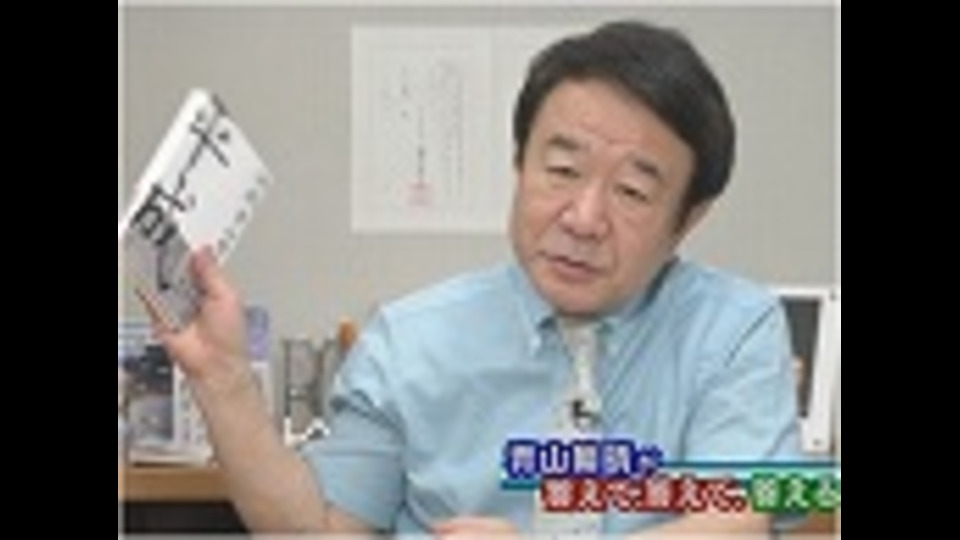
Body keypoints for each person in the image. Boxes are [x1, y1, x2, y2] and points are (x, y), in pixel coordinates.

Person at [151, 19, 802, 537]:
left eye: (632, 191)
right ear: (519, 164)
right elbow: (321, 529)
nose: (583, 218)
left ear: (688, 218)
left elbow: (736, 521)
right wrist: (224, 380)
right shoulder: (408, 341)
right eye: (562, 170)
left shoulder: (734, 329)